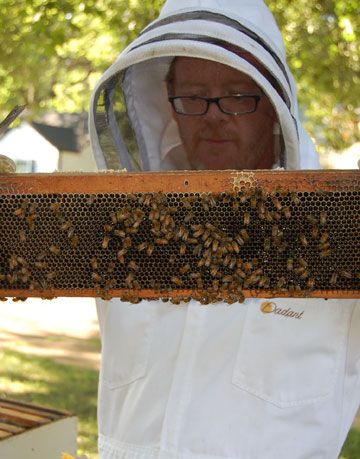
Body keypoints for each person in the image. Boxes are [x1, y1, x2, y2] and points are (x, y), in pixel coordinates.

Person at [88, 1, 360, 458]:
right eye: (194, 96)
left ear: (275, 106)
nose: (213, 115)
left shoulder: (339, 232)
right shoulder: (123, 225)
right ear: (168, 100)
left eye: (237, 95)